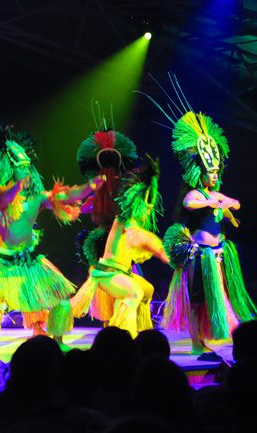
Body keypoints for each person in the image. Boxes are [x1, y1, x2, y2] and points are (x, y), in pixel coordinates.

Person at [0, 125, 104, 346]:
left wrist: (90, 186)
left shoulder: (36, 198)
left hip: (29, 262)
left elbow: (66, 195)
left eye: (28, 167)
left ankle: (57, 339)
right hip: (2, 263)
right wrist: (17, 184)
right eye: (21, 167)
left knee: (61, 299)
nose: (26, 171)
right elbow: (3, 201)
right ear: (10, 169)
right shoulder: (0, 197)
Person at [160, 110, 257, 355]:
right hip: (199, 255)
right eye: (210, 172)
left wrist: (225, 204)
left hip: (217, 254)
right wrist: (210, 204)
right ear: (200, 172)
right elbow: (188, 204)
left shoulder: (216, 194)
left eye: (216, 172)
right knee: (197, 300)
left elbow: (235, 202)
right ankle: (195, 342)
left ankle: (207, 337)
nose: (214, 175)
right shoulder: (196, 194)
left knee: (216, 295)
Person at [71, 156, 169, 337]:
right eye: (148, 202)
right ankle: (123, 335)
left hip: (123, 272)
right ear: (137, 200)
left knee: (148, 290)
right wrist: (160, 251)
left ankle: (141, 330)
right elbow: (137, 236)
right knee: (134, 293)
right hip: (108, 273)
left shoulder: (133, 221)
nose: (149, 208)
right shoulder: (125, 219)